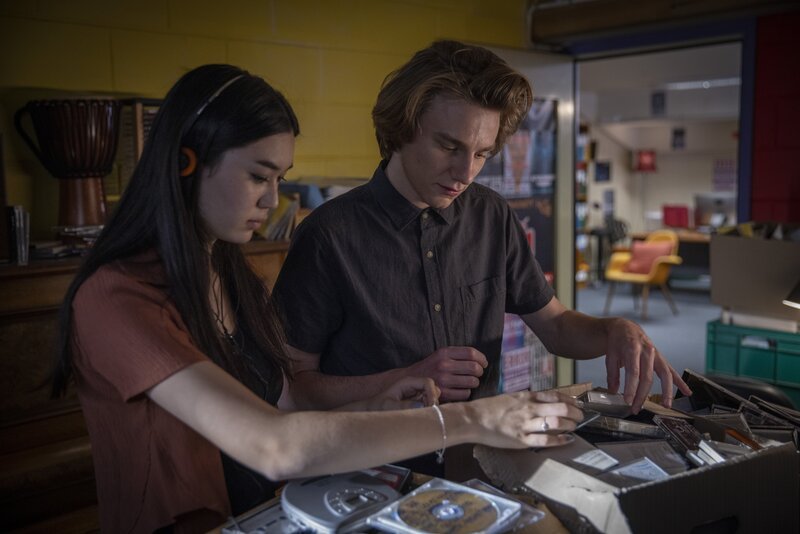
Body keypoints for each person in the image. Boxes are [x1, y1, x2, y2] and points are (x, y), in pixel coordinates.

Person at [51, 64, 582, 533]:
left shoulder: (230, 271)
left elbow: (292, 402)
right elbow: (274, 444)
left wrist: (378, 404)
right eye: (258, 176)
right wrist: (480, 418)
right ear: (187, 162)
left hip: (273, 513)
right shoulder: (116, 297)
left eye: (280, 179)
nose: (272, 200)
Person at [272, 40, 692, 415]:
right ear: (401, 127)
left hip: (474, 456)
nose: (465, 172)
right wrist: (404, 377)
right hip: (369, 470)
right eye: (449, 146)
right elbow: (295, 389)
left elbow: (557, 327)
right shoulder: (329, 234)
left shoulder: (491, 215)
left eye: (481, 154)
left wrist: (614, 329)